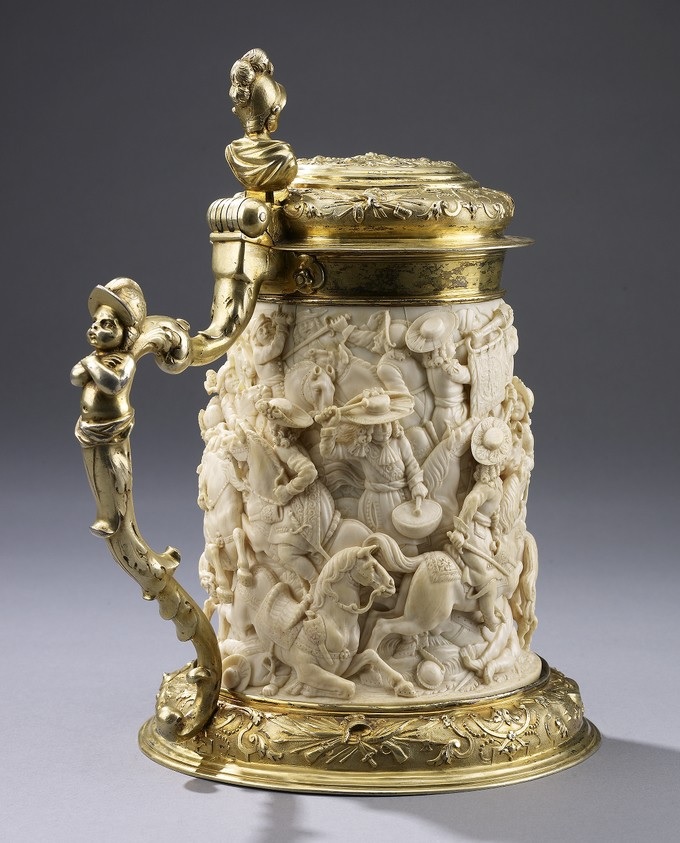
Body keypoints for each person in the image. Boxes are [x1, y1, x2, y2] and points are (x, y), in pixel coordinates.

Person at [71, 278, 145, 537]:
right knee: (94, 471)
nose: (95, 328)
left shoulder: (124, 360)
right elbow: (74, 377)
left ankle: (113, 517)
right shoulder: (97, 358)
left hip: (112, 428)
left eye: (106, 324)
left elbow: (113, 384)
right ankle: (104, 513)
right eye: (95, 323)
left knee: (112, 471)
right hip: (88, 428)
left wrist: (91, 364)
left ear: (126, 333)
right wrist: (91, 363)